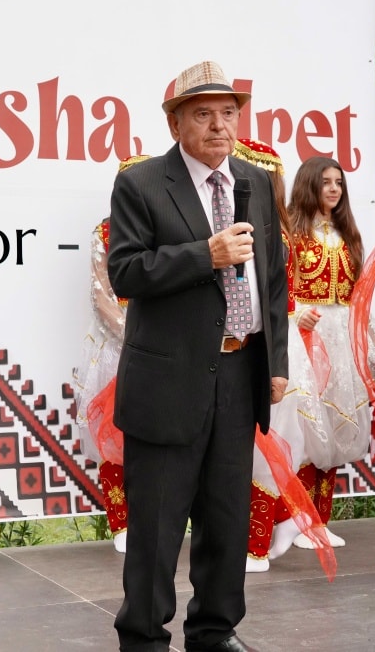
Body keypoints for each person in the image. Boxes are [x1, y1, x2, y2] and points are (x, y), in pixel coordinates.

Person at [107, 61, 289, 652]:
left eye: (229, 113)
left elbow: (275, 280)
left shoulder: (255, 182)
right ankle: (143, 636)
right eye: (204, 114)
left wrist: (277, 363)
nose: (219, 126)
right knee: (158, 524)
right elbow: (126, 272)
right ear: (176, 122)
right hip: (169, 376)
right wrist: (204, 254)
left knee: (227, 512)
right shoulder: (141, 183)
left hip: (240, 369)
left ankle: (214, 629)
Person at [235, 140, 332, 575]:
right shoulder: (281, 229)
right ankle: (268, 532)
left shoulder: (270, 231)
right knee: (265, 440)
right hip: (274, 339)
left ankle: (256, 544)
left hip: (273, 343)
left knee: (267, 441)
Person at [286, 155, 375, 550]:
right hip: (308, 340)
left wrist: (372, 350)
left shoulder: (349, 235)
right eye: (326, 182)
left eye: (339, 183)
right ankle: (298, 521)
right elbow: (277, 290)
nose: (333, 189)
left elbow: (360, 299)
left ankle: (321, 520)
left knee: (334, 425)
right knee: (307, 426)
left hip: (343, 339)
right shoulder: (292, 234)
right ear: (309, 184)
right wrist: (296, 316)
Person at [73, 156, 150, 554]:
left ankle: (154, 522)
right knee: (112, 439)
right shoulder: (103, 232)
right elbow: (101, 296)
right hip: (117, 346)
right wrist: (133, 334)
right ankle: (120, 523)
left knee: (157, 439)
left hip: (162, 349)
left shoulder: (168, 231)